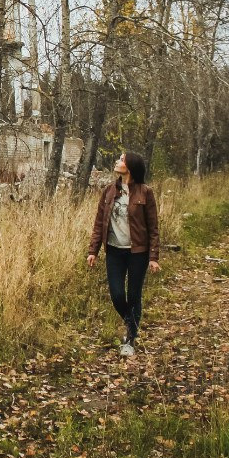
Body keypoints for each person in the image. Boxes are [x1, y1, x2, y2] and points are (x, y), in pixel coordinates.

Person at [86, 151, 160, 356]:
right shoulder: (109, 191)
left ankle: (130, 339)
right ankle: (131, 322)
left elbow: (153, 227)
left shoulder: (146, 192)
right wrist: (94, 250)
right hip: (114, 251)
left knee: (134, 295)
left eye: (121, 159)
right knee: (117, 294)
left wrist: (153, 257)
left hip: (138, 252)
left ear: (131, 166)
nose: (117, 162)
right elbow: (99, 223)